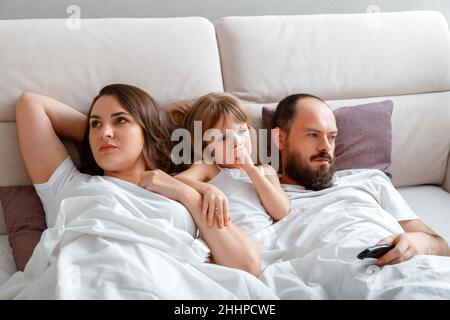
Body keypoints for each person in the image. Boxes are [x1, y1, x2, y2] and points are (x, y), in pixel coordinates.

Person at [15, 84, 261, 276]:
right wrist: (103, 138)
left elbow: (247, 265)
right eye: (95, 124)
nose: (104, 132)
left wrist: (186, 193)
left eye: (121, 120)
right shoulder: (67, 185)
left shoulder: (180, 191)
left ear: (147, 129)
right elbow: (31, 104)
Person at [270, 93, 450, 266]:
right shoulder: (263, 196)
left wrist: (420, 242)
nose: (326, 146)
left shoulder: (369, 180)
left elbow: (442, 247)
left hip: (414, 271)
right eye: (313, 135)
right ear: (280, 138)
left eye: (332, 137)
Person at [166, 92, 290, 235]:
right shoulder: (209, 168)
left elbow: (281, 212)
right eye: (224, 138)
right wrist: (206, 188)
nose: (237, 142)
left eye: (242, 131)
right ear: (205, 147)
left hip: (267, 237)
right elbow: (174, 181)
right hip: (231, 242)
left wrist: (250, 169)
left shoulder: (266, 171)